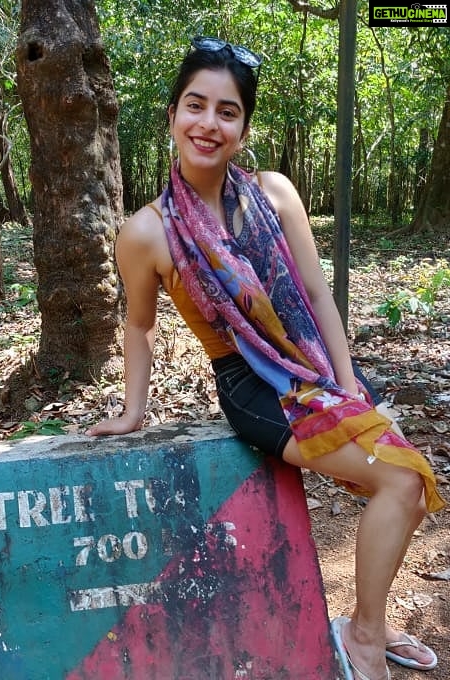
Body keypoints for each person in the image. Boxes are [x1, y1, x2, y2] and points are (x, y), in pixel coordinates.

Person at [87, 36, 445, 680]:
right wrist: (131, 412)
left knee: (409, 486)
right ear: (171, 115)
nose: (209, 123)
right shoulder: (148, 232)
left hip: (316, 367)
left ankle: (368, 622)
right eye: (195, 105)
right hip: (255, 390)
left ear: (244, 129)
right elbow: (138, 327)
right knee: (401, 481)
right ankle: (364, 637)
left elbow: (314, 295)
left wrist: (347, 385)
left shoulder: (275, 194)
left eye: (228, 111)